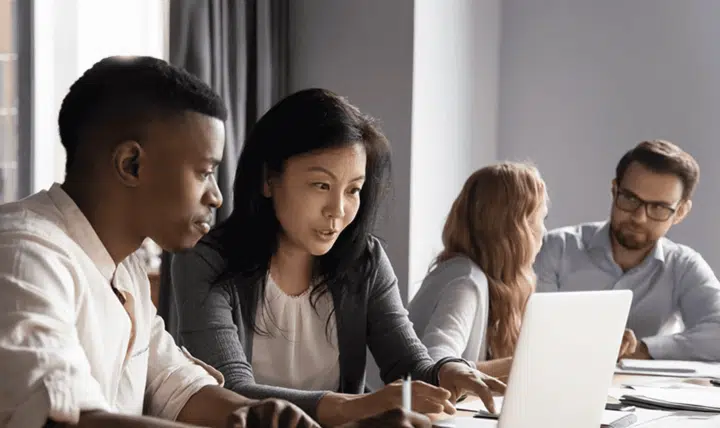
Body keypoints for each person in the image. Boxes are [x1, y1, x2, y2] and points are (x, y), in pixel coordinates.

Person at [0, 56, 428, 428]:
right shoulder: (26, 254)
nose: (217, 196)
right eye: (205, 172)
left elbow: (180, 388)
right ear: (132, 164)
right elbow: (65, 421)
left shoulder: (123, 269)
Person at [171, 88, 506, 428]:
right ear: (268, 180)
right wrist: (355, 406)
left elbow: (408, 364)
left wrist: (450, 371)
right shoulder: (205, 261)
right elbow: (233, 394)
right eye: (320, 185)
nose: (338, 210)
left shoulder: (366, 260)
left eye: (353, 190)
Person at [534, 140, 720, 362]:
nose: (639, 218)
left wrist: (644, 349)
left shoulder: (683, 265)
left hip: (648, 394)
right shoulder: (556, 248)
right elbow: (535, 334)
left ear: (680, 212)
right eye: (630, 199)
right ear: (614, 190)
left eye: (658, 207)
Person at [407, 163, 548, 381]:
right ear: (516, 229)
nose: (543, 231)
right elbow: (436, 363)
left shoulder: (475, 275)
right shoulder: (465, 281)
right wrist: (519, 364)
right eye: (540, 219)